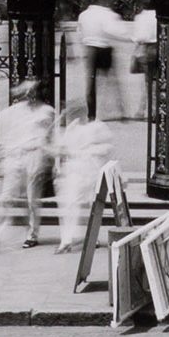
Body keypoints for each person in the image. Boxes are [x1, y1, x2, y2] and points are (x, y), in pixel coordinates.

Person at [0, 80, 55, 251]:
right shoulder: (16, 111)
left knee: (32, 200)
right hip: (15, 157)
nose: (30, 95)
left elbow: (49, 137)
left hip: (35, 156)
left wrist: (51, 161)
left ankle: (32, 235)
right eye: (27, 92)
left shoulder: (47, 112)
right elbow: (0, 124)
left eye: (33, 91)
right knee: (6, 197)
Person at [52, 108, 115, 253]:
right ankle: (67, 239)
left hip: (90, 170)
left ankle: (92, 237)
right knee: (70, 205)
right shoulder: (71, 129)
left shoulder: (97, 127)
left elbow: (108, 147)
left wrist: (92, 154)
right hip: (74, 171)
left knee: (90, 206)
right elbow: (61, 149)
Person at [77, 0, 124, 120]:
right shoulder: (109, 14)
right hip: (104, 49)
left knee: (91, 82)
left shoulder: (83, 15)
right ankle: (119, 109)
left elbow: (79, 33)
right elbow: (113, 30)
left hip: (90, 49)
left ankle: (91, 113)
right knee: (113, 81)